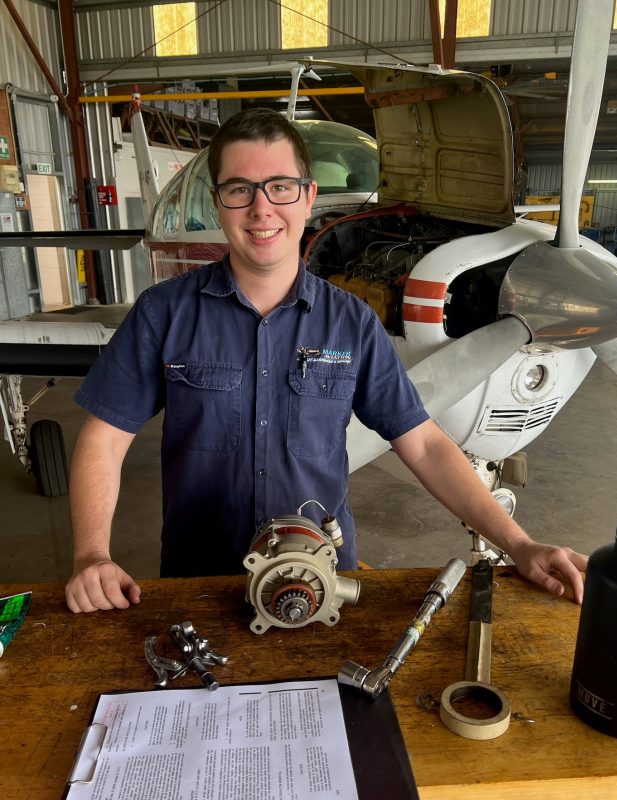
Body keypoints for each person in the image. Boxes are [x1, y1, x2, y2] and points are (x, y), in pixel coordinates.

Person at [65, 108, 587, 614]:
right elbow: (103, 439)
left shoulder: (352, 324)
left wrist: (519, 544)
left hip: (322, 582)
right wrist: (92, 556)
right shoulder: (164, 313)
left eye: (280, 186)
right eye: (239, 189)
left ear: (308, 197)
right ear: (218, 201)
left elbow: (424, 444)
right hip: (199, 585)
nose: (261, 208)